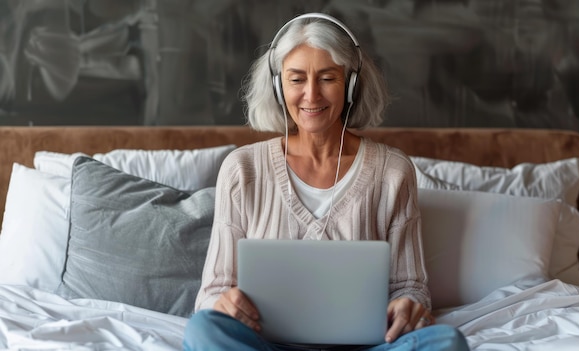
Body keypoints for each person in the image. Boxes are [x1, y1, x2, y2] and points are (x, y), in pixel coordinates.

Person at [183, 12, 470, 351]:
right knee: (203, 329)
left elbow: (412, 286)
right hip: (266, 345)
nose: (311, 95)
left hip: (365, 346)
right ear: (278, 86)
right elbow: (211, 293)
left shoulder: (393, 171)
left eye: (327, 78)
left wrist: (408, 305)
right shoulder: (242, 169)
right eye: (296, 79)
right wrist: (223, 303)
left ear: (350, 86)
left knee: (447, 341)